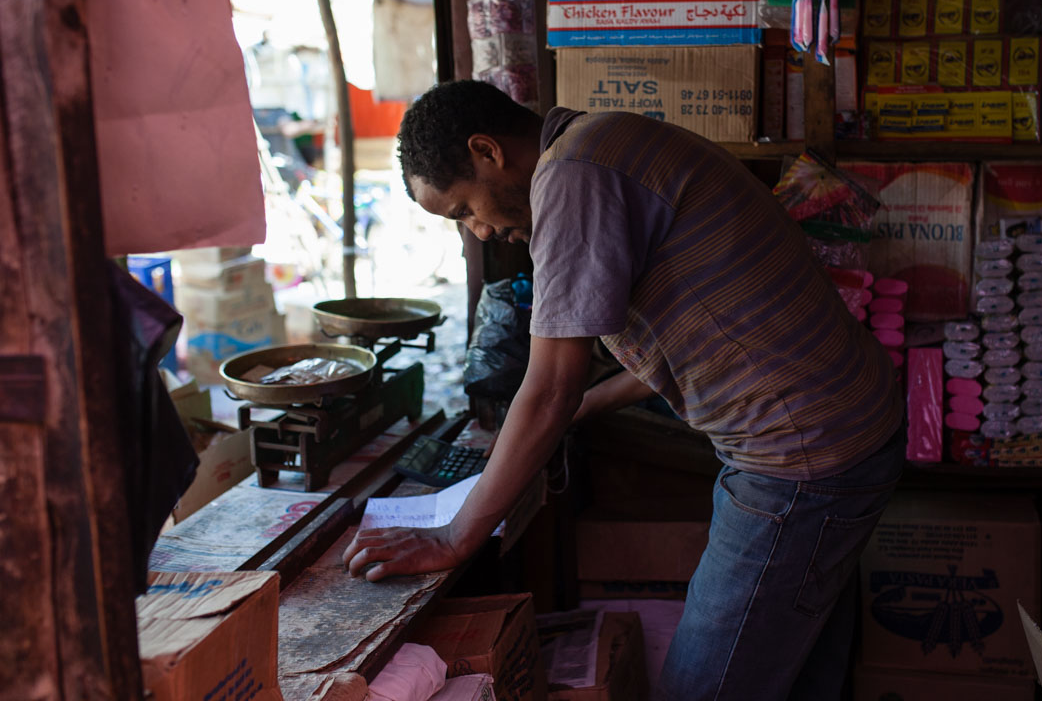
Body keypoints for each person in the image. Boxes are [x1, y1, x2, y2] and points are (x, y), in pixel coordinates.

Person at [343, 80, 905, 700]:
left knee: (701, 690)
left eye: (462, 210)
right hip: (845, 429)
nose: (476, 231)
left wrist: (455, 536)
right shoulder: (606, 140)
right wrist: (583, 409)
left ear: (488, 151)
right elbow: (679, 342)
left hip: (802, 455)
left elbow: (550, 385)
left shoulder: (573, 173)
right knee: (800, 677)